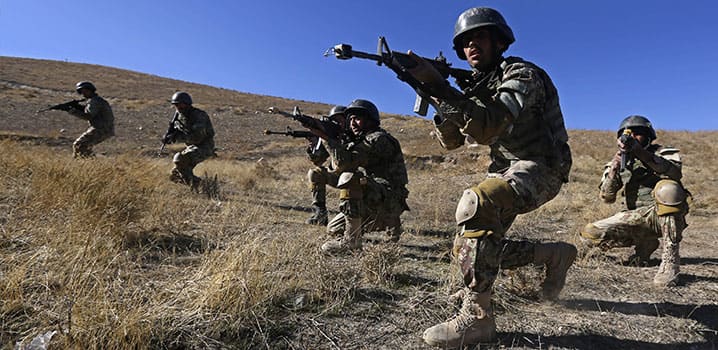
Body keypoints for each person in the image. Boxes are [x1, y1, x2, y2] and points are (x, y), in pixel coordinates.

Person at [404, 7, 576, 347]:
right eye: (465, 41)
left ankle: (479, 320)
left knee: (476, 202)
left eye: (479, 36)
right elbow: (451, 141)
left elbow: (488, 126)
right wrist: (435, 93)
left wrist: (440, 85)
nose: (471, 45)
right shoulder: (476, 86)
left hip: (541, 166)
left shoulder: (522, 74)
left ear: (499, 41)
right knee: (467, 248)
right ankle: (553, 255)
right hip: (506, 169)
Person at [579, 115, 688, 287]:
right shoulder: (621, 160)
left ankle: (670, 260)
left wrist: (640, 153)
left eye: (638, 133)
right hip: (633, 217)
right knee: (589, 234)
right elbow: (607, 197)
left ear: (649, 136)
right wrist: (614, 169)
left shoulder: (663, 153)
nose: (632, 137)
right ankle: (645, 243)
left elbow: (675, 173)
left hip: (659, 215)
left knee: (668, 188)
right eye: (628, 135)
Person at [320, 99, 409, 254]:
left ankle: (352, 242)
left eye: (358, 118)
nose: (353, 123)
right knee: (334, 229)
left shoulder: (378, 139)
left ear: (370, 121)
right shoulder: (361, 139)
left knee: (350, 177)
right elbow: (334, 166)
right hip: (377, 194)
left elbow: (346, 165)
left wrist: (328, 139)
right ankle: (384, 224)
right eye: (351, 119)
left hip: (391, 198)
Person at [305, 106, 348, 226]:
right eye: (334, 121)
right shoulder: (331, 137)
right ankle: (320, 214)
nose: (337, 123)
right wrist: (313, 146)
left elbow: (344, 162)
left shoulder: (354, 136)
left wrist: (330, 140)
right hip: (337, 176)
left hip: (355, 179)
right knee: (315, 173)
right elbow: (317, 161)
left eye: (340, 120)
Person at [162, 91, 215, 188]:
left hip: (205, 147)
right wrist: (169, 137)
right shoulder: (179, 116)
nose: (178, 108)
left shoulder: (199, 116)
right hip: (191, 147)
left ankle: (201, 186)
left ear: (187, 104)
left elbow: (197, 138)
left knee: (179, 158)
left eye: (180, 105)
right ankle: (198, 186)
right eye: (176, 105)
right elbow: (178, 131)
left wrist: (178, 137)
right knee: (175, 175)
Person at [66, 81, 115, 158]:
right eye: (81, 92)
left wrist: (72, 111)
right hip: (104, 129)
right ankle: (92, 163)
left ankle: (88, 163)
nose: (83, 94)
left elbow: (88, 116)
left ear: (90, 90)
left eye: (85, 91)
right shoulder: (96, 100)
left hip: (101, 129)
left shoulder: (94, 101)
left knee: (79, 145)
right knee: (84, 147)